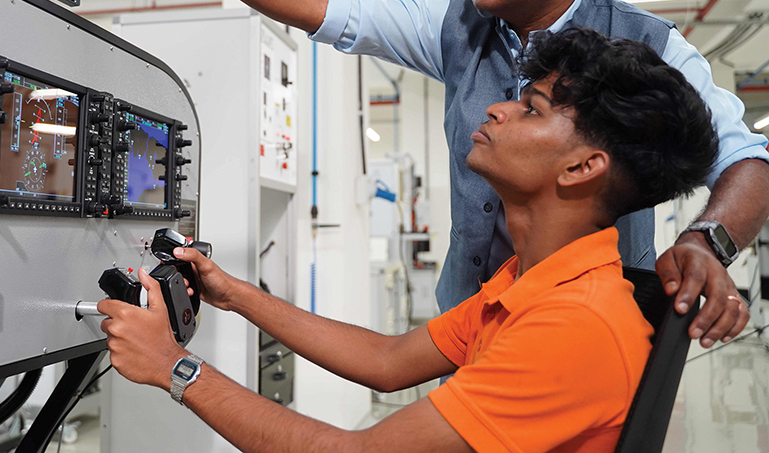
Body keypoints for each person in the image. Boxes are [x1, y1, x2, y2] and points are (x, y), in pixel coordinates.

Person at [79, 0, 768, 346]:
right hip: (474, 319)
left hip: (579, 327)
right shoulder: (457, 25)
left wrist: (706, 240)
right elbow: (321, 3)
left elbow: (747, 161)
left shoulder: (649, 46)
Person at [99, 27, 721, 453]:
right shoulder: (534, 282)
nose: (499, 111)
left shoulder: (576, 324)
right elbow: (388, 363)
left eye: (530, 109)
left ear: (583, 168)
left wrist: (172, 368)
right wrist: (237, 295)